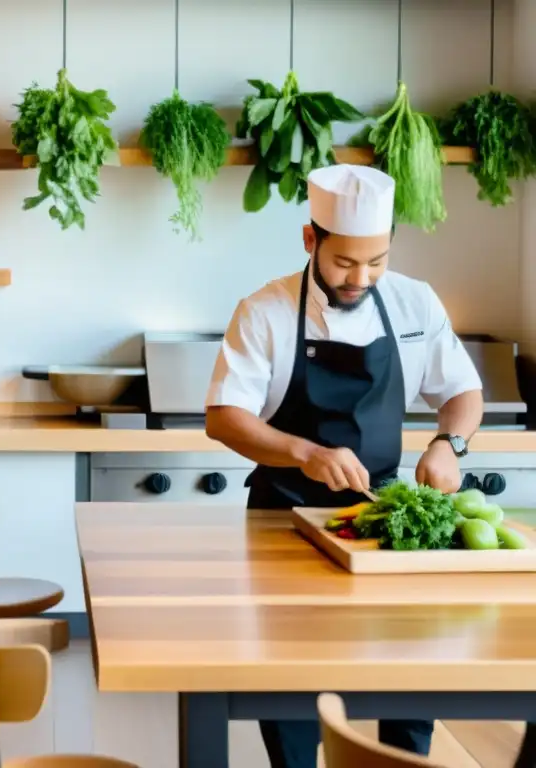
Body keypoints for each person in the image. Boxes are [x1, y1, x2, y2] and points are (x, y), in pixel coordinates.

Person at [204, 164, 484, 768]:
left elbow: (463, 394)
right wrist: (304, 451)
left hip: (384, 519)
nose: (361, 278)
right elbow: (224, 416)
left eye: (376, 262)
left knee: (410, 671)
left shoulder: (415, 301)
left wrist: (447, 445)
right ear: (311, 240)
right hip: (284, 515)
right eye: (344, 264)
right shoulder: (265, 311)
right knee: (288, 678)